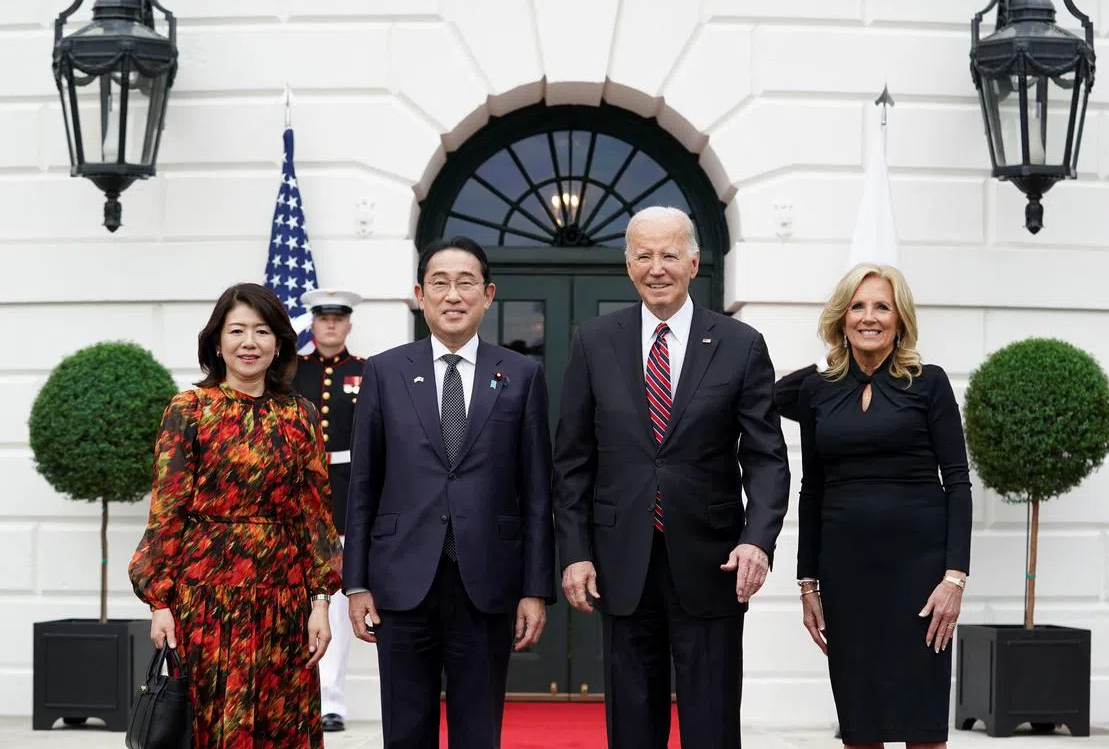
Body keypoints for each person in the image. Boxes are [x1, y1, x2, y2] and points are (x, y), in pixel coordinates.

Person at [553, 206, 790, 749]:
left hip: (713, 563)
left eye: (668, 254)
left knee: (711, 724)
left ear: (694, 261)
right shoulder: (594, 341)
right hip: (621, 563)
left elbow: (766, 458)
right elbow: (571, 461)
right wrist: (575, 551)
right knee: (632, 727)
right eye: (643, 255)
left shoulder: (740, 343)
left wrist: (757, 542)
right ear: (628, 264)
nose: (656, 267)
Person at [343, 236, 555, 749]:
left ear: (488, 295)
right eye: (440, 283)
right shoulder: (385, 371)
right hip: (401, 579)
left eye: (466, 284)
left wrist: (534, 588)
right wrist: (356, 583)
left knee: (478, 729)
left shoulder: (522, 375)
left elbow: (537, 492)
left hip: (488, 581)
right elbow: (363, 482)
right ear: (420, 294)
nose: (453, 295)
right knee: (406, 727)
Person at [128, 282, 343, 747]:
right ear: (217, 342)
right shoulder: (189, 410)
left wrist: (321, 601)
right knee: (209, 724)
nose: (250, 343)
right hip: (205, 603)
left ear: (280, 343)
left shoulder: (300, 415)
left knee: (279, 724)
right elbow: (167, 512)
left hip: (283, 603)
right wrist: (159, 603)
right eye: (237, 331)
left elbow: (315, 517)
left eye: (262, 331)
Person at [795, 263, 971, 749]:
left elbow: (957, 481)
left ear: (900, 320)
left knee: (922, 727)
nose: (869, 316)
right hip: (846, 577)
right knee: (860, 725)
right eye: (857, 306)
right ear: (841, 317)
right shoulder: (817, 391)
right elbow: (812, 489)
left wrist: (954, 578)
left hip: (919, 579)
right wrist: (807, 583)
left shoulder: (929, 384)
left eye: (881, 306)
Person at [294, 287, 365, 733]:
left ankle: (331, 701)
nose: (331, 325)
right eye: (324, 319)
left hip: (344, 496)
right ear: (313, 324)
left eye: (339, 319)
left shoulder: (366, 372)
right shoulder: (291, 372)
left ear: (348, 324)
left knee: (336, 604)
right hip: (299, 496)